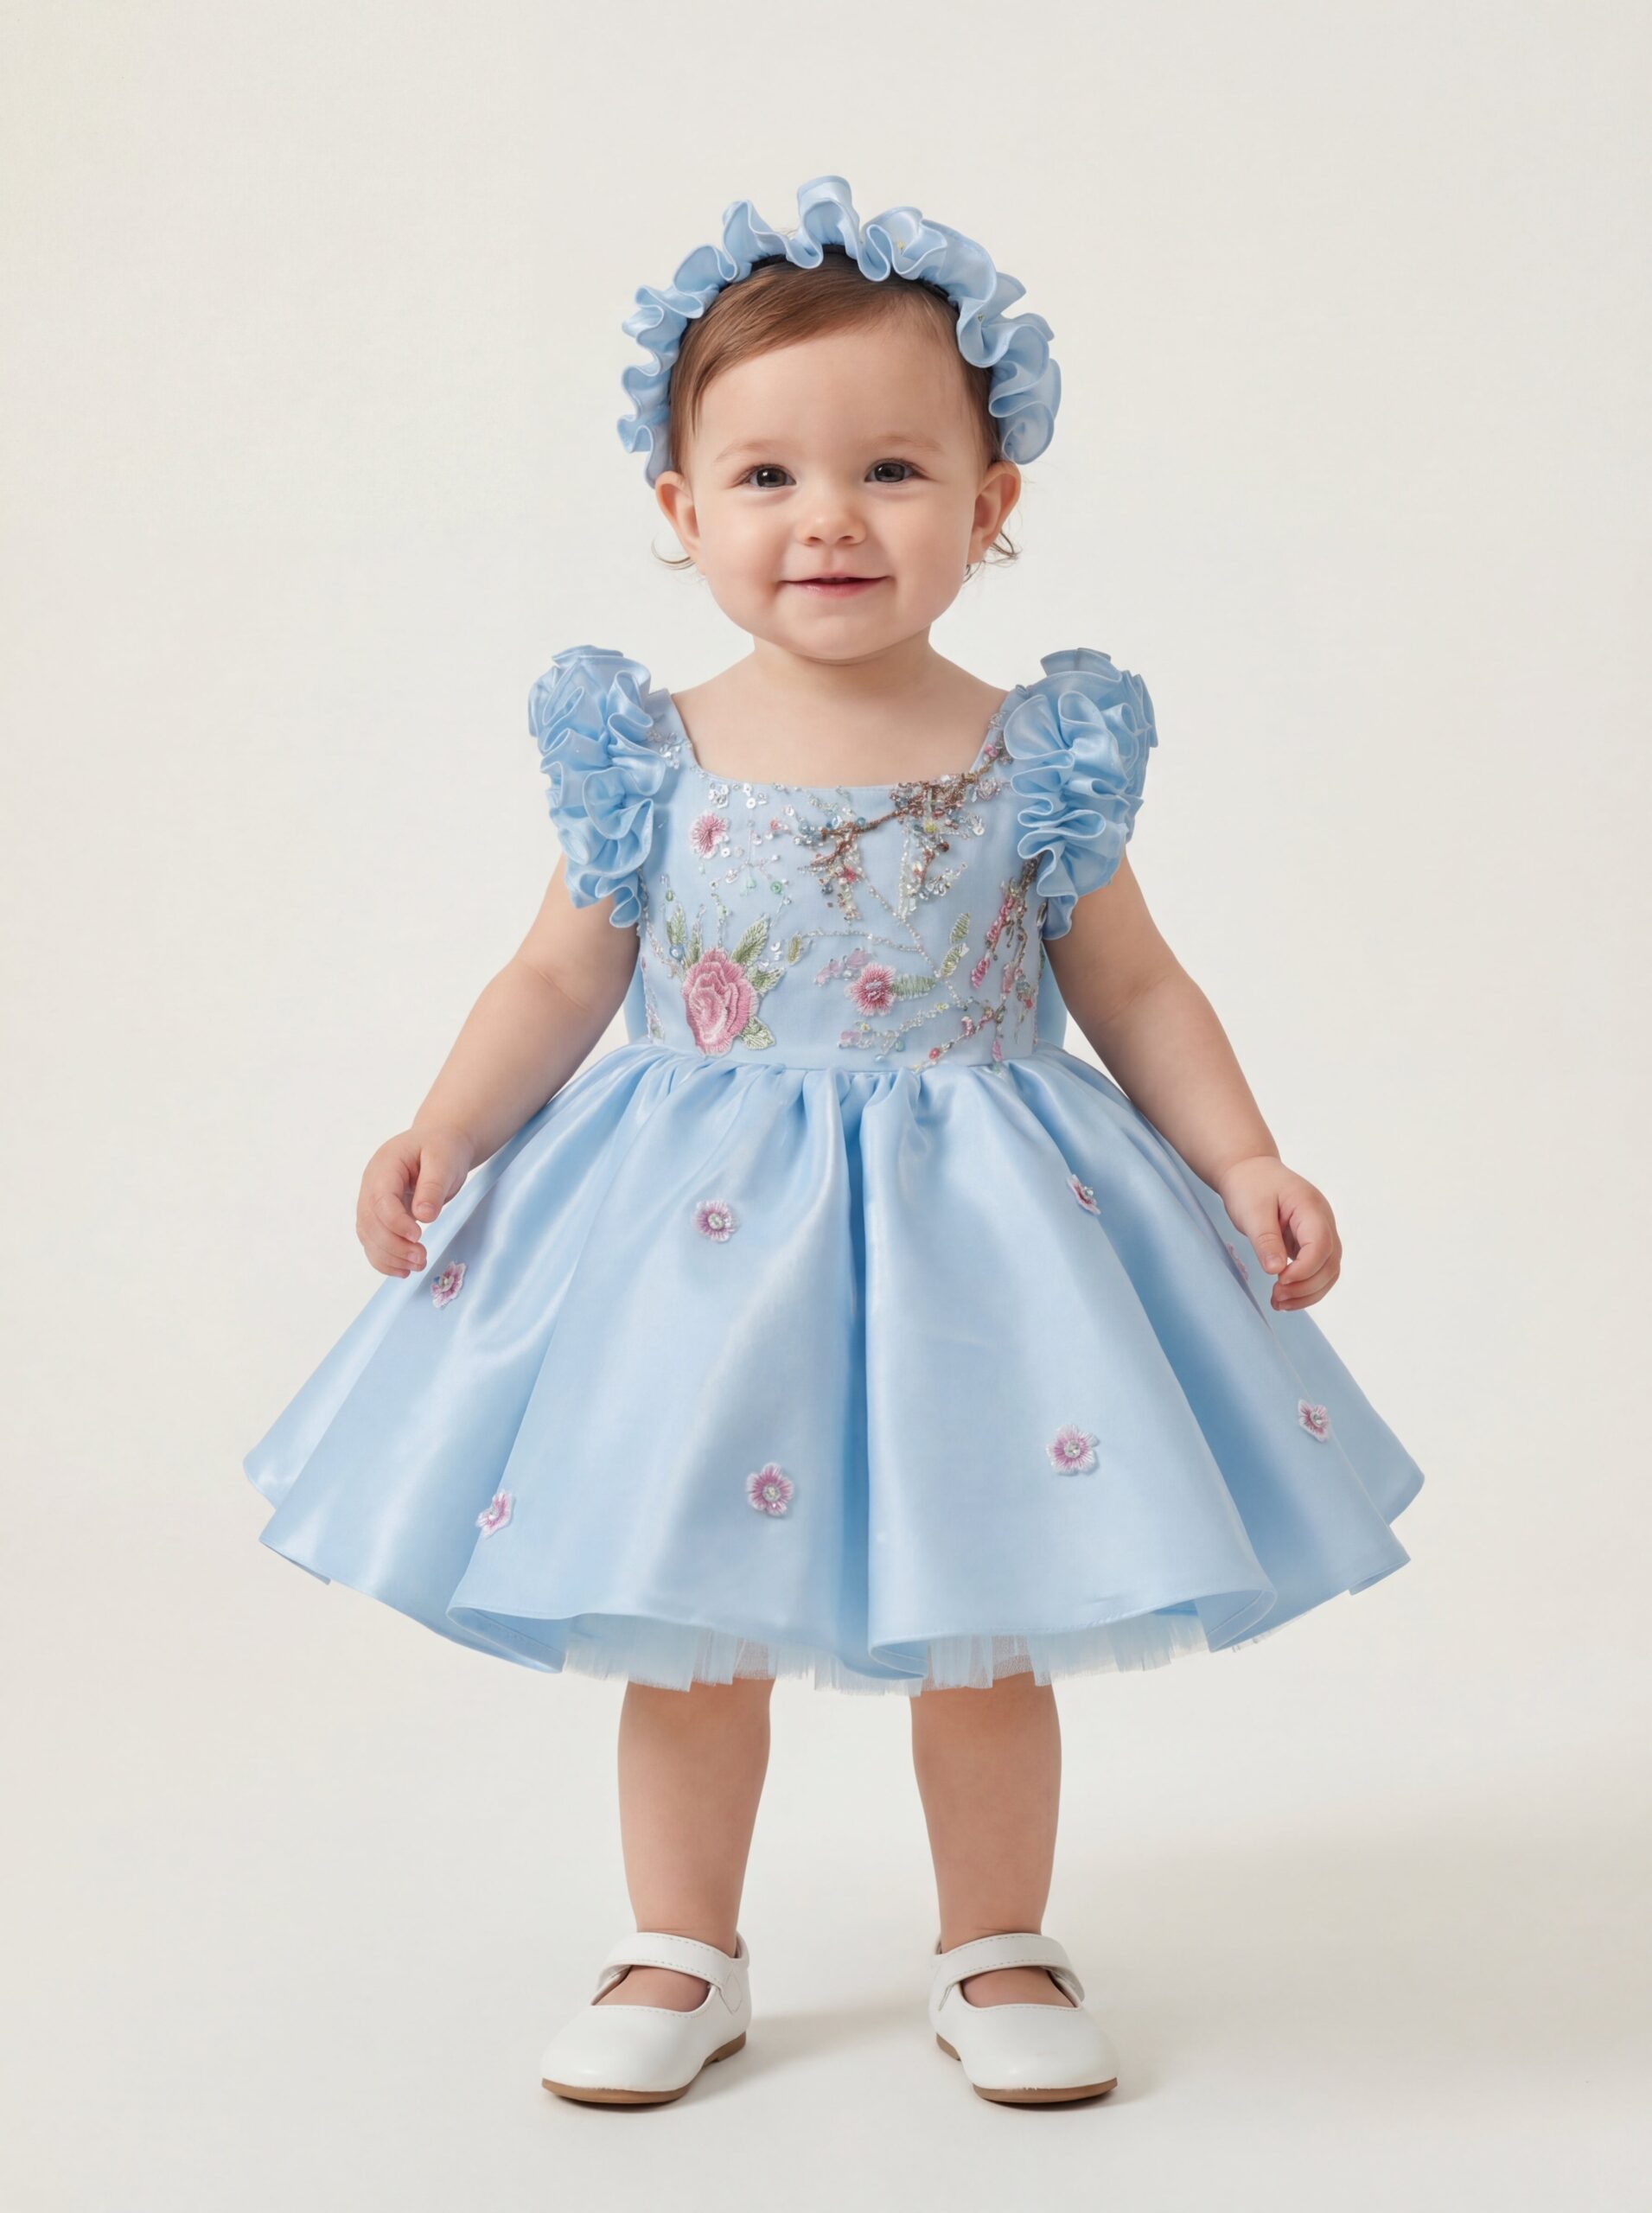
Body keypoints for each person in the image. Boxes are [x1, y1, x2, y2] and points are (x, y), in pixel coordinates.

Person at [243, 175, 1425, 2110]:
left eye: (890, 469)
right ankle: (679, 1943)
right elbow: (557, 973)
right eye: (767, 476)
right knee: (686, 1618)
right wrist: (444, 1125)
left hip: (983, 1250)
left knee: (988, 1620)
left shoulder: (1034, 754)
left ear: (990, 500)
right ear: (678, 508)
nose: (829, 521)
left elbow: (1133, 985)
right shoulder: (648, 750)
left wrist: (1243, 1159)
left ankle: (996, 1938)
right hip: (696, 1245)